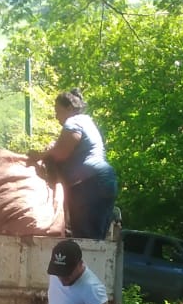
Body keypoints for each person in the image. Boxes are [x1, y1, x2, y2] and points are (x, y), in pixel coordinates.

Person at [29, 89, 118, 240]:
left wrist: (38, 156)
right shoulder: (87, 121)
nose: (57, 117)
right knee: (96, 241)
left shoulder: (74, 121)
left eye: (58, 111)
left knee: (84, 240)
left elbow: (60, 153)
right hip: (104, 181)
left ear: (69, 108)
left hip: (90, 185)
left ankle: (83, 263)